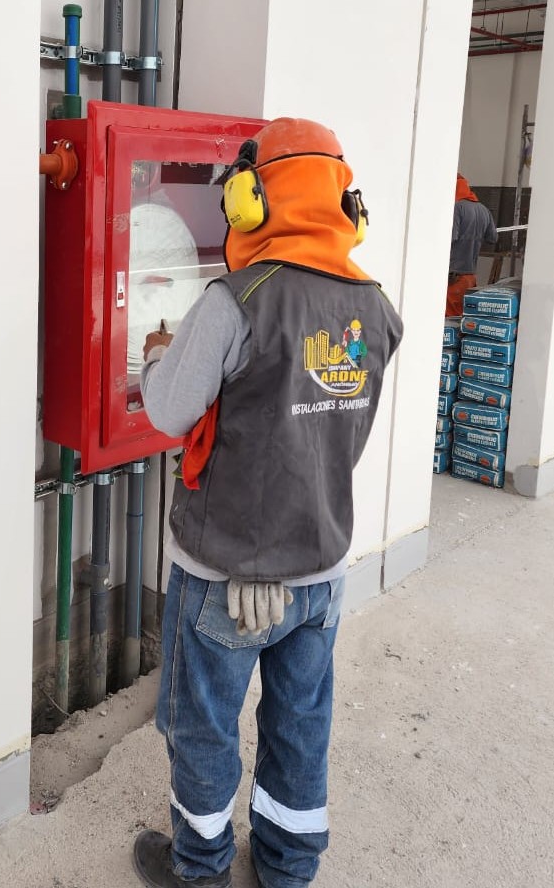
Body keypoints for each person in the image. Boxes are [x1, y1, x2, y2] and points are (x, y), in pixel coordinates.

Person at [132, 118, 404, 888]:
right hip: (319, 573)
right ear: (344, 203)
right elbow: (316, 431)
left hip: (224, 572)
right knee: (300, 726)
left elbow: (168, 413)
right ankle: (287, 869)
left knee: (203, 730)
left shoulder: (235, 298)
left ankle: (200, 868)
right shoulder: (376, 308)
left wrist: (158, 358)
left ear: (254, 201)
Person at [446, 173, 497, 317]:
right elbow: (492, 238)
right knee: (464, 317)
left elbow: (450, 238)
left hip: (453, 277)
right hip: (470, 276)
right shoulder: (483, 209)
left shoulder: (457, 208)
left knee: (449, 322)